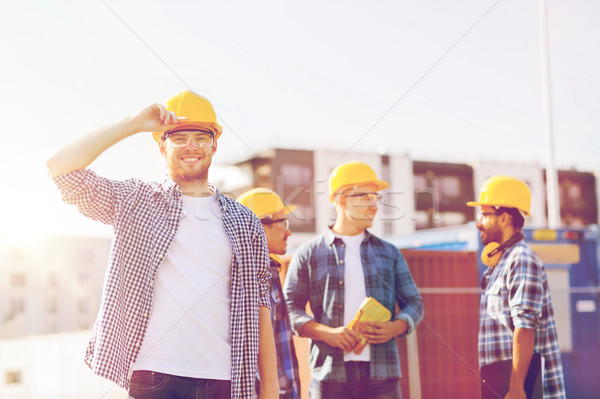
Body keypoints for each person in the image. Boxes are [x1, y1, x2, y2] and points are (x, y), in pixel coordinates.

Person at [47, 90, 278, 399]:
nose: (191, 146)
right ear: (162, 146)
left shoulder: (246, 222)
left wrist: (271, 391)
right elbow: (60, 168)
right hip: (154, 376)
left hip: (224, 378)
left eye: (201, 136)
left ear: (215, 144)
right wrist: (132, 124)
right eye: (179, 138)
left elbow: (261, 306)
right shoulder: (136, 200)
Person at [283, 161, 424, 399]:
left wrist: (395, 327)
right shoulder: (309, 253)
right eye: (365, 196)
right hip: (329, 376)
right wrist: (327, 333)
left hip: (383, 375)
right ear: (341, 199)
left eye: (375, 197)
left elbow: (415, 303)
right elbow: (289, 309)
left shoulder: (390, 253)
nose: (374, 205)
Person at [467, 175, 566, 399]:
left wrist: (516, 388)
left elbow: (525, 327)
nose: (478, 222)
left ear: (504, 219)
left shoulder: (521, 260)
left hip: (522, 388)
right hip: (499, 380)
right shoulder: (499, 263)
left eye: (484, 214)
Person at [238, 188, 302, 399]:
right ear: (257, 227)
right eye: (283, 222)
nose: (288, 231)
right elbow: (251, 347)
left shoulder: (270, 269)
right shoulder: (247, 276)